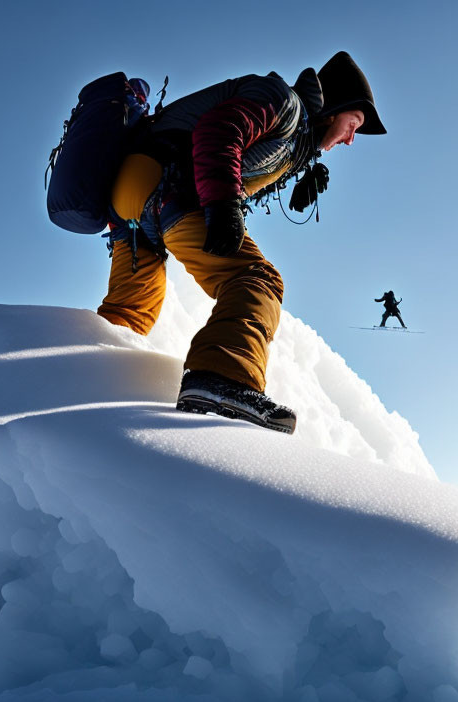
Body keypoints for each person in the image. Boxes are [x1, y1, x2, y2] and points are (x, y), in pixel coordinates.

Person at [96, 52, 387, 434]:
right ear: (336, 108)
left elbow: (250, 155)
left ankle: (84, 373)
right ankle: (222, 380)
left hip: (131, 198)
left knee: (132, 311)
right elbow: (219, 130)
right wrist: (222, 203)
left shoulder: (297, 134)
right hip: (169, 188)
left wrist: (299, 175)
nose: (351, 138)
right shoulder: (282, 100)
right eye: (355, 124)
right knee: (258, 279)